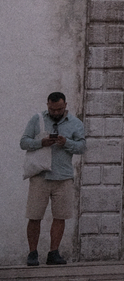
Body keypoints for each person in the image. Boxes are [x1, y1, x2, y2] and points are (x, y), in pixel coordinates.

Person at [21, 92, 86, 266]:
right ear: (47, 105)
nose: (55, 112)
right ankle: (32, 253)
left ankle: (53, 252)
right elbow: (23, 142)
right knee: (34, 216)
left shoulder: (75, 123)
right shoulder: (37, 119)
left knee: (60, 216)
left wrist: (67, 143)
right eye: (51, 108)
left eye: (58, 109)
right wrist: (41, 143)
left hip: (63, 177)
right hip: (40, 176)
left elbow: (81, 147)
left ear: (65, 105)